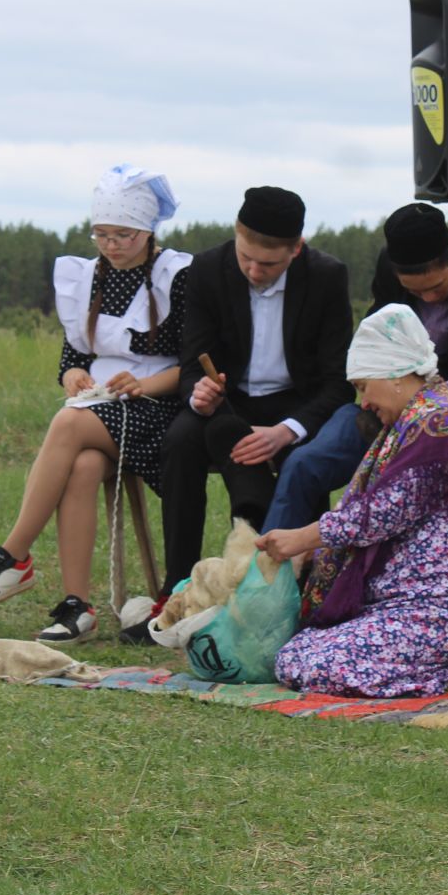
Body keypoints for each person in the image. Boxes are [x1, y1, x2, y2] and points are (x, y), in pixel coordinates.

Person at [0, 165, 190, 643]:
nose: (111, 245)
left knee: (67, 425)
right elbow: (74, 355)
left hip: (161, 410)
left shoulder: (177, 277)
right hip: (102, 409)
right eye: (101, 234)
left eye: (123, 235)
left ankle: (13, 556)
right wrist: (73, 374)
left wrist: (146, 386)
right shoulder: (86, 278)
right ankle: (77, 606)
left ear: (147, 231)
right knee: (81, 464)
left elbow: (197, 361)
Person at [260, 201, 448, 538]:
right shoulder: (389, 274)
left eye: (436, 287)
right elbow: (375, 344)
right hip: (384, 409)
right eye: (415, 292)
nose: (427, 299)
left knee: (394, 497)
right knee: (304, 464)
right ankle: (270, 575)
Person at [257, 306, 448, 698]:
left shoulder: (438, 422)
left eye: (362, 386)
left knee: (303, 664)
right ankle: (444, 663)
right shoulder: (422, 414)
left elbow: (381, 514)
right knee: (296, 652)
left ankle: (437, 673)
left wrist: (303, 540)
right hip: (411, 601)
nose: (361, 402)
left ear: (393, 374)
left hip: (439, 607)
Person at [153, 186, 353, 620]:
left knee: (306, 454)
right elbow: (192, 365)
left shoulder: (327, 277)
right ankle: (178, 587)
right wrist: (199, 396)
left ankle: (295, 584)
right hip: (229, 405)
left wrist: (288, 430)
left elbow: (338, 383)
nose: (253, 270)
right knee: (182, 439)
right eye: (245, 258)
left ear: (296, 249)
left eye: (268, 264)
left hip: (296, 407)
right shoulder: (206, 269)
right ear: (236, 237)